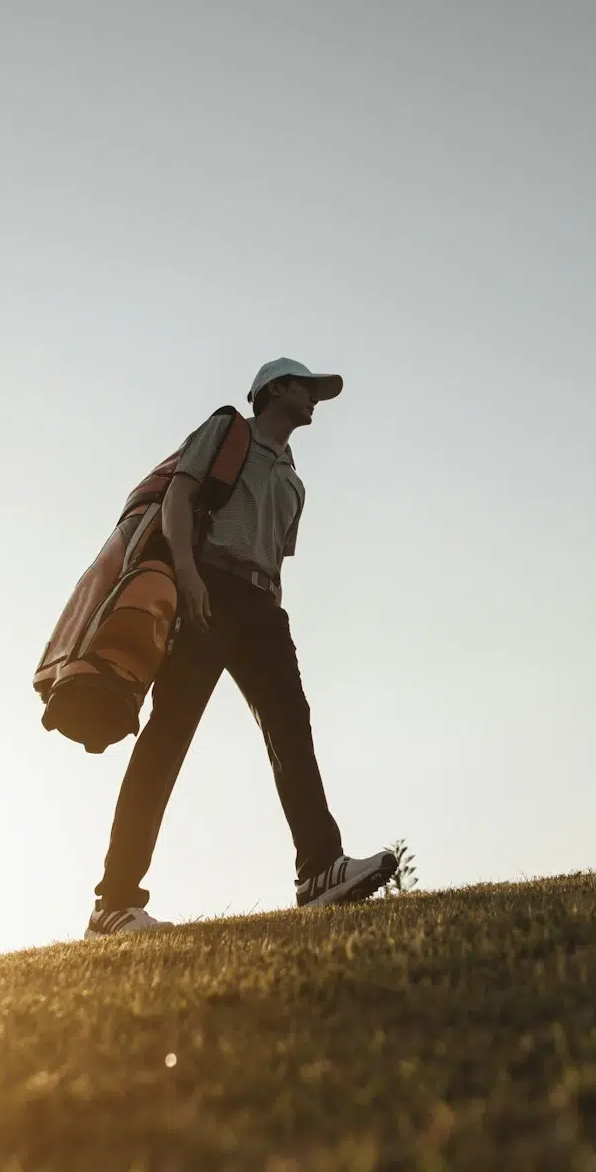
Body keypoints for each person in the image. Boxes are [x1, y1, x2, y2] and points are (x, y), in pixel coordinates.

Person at [85, 358, 398, 937]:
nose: (314, 400)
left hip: (260, 606)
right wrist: (187, 577)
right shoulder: (228, 431)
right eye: (307, 388)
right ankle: (114, 904)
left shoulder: (293, 478)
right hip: (206, 589)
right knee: (167, 738)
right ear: (275, 389)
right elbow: (180, 499)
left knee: (291, 727)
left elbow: (277, 556)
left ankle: (319, 872)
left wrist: (272, 612)